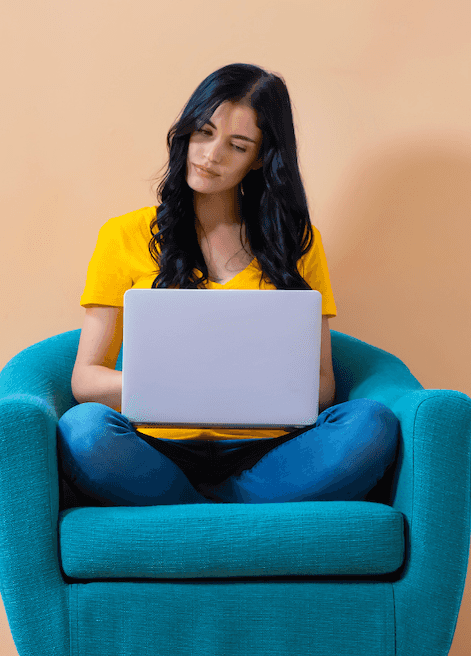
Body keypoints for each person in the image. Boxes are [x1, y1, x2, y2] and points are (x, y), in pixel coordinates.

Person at [58, 63, 398, 507]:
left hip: (270, 452)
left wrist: (241, 388)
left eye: (237, 146)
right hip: (156, 451)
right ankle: (216, 507)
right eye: (203, 132)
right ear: (185, 132)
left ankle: (192, 509)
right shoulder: (124, 234)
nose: (211, 155)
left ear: (259, 159)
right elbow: (86, 378)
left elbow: (321, 384)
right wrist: (177, 385)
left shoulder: (297, 242)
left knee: (371, 424)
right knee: (83, 432)